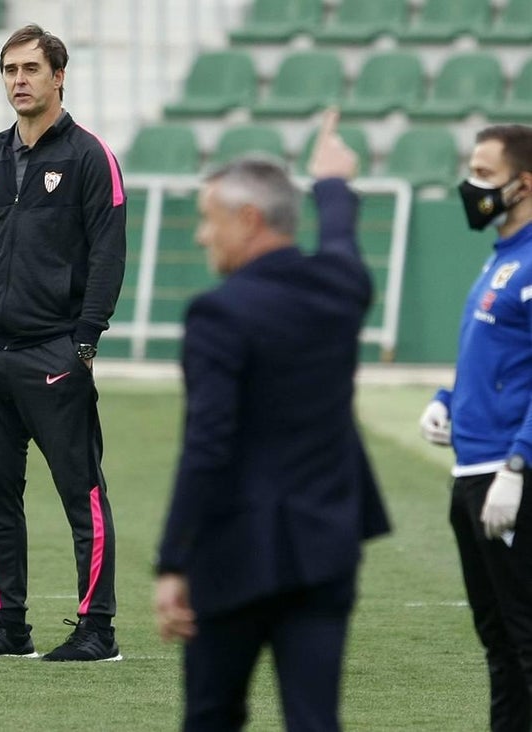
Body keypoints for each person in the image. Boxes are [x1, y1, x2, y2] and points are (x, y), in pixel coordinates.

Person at [154, 110, 391, 730]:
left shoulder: (217, 313)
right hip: (326, 545)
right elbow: (339, 238)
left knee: (212, 715)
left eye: (209, 220)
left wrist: (173, 559)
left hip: (235, 550)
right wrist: (333, 181)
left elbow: (207, 446)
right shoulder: (343, 287)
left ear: (248, 219)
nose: (203, 237)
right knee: (315, 720)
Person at [0, 24, 127, 662]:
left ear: (58, 77)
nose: (18, 81)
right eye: (9, 70)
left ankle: (96, 629)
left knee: (83, 495)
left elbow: (108, 256)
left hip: (55, 353)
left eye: (30, 69)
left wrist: (84, 341)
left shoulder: (88, 157)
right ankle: (8, 624)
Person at [418, 123, 532, 732]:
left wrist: (518, 465)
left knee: (525, 637)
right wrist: (448, 399)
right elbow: (494, 358)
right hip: (471, 471)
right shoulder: (502, 259)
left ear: (524, 184)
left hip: (507, 475)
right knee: (498, 640)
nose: (472, 186)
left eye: (485, 174)